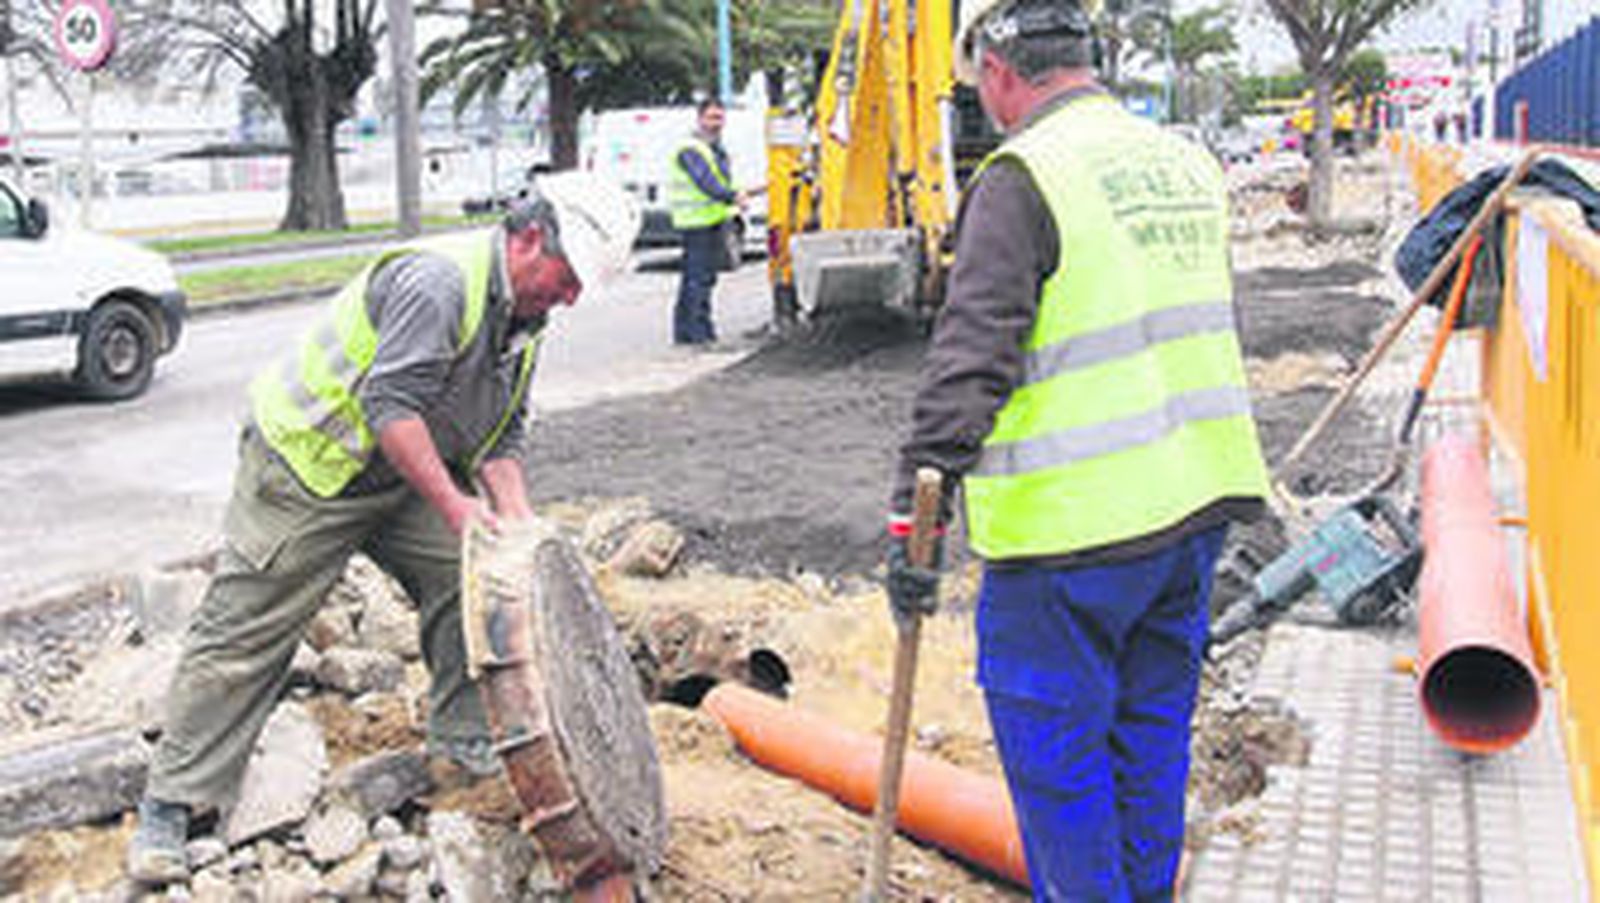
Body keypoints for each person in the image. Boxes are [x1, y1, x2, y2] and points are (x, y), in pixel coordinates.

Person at [126, 172, 642, 886]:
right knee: (247, 628)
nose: (573, 295)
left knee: (477, 581)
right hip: (309, 465)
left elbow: (501, 431)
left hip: (400, 471)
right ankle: (172, 805)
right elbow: (389, 406)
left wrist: (516, 526)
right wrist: (461, 510)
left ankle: (465, 745)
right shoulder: (439, 284)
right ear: (528, 239)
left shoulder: (527, 312)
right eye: (570, 275)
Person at [883, 0, 1269, 899]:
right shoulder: (1183, 162)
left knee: (1061, 778)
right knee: (1148, 744)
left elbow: (968, 362)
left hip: (1069, 539)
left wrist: (914, 518)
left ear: (998, 72)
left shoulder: (1025, 176)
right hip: (1190, 510)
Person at [669, 97, 747, 346]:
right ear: (700, 118)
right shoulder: (691, 149)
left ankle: (685, 333)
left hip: (711, 219)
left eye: (720, 118)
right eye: (712, 118)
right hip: (696, 223)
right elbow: (706, 182)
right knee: (699, 280)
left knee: (694, 279)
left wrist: (732, 195)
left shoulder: (715, 148)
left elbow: (718, 180)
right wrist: (733, 196)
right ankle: (700, 333)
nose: (717, 123)